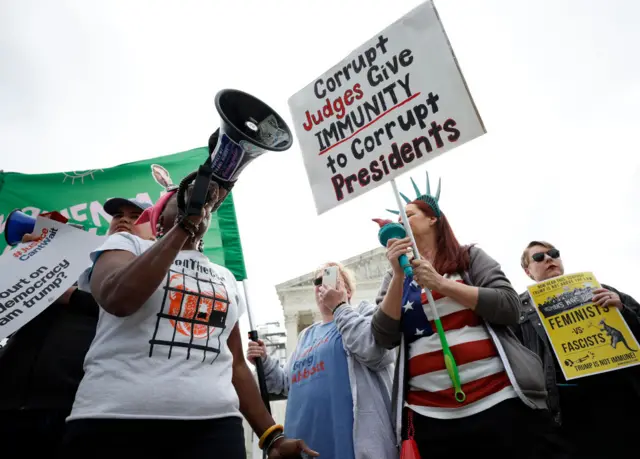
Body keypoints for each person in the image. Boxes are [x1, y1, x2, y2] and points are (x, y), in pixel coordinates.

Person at [60, 172, 317, 459]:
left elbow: (235, 365)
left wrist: (272, 437)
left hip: (215, 430)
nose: (198, 204)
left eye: (203, 201)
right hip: (116, 422)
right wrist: (184, 226)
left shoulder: (225, 277)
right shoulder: (128, 247)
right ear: (158, 218)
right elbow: (117, 297)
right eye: (183, 198)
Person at [370, 174, 556, 459]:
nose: (400, 223)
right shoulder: (394, 275)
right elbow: (383, 336)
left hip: (498, 402)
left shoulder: (469, 258)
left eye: (407, 215)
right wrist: (398, 275)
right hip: (429, 415)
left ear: (433, 219)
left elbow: (509, 307)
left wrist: (442, 285)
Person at [0, 197, 151, 456]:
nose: (124, 219)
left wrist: (69, 295)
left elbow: (134, 309)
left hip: (77, 403)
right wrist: (24, 262)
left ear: (156, 228)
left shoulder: (157, 268)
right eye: (118, 215)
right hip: (8, 395)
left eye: (136, 216)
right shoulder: (76, 257)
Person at [247, 262, 397, 459]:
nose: (321, 285)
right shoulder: (306, 336)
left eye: (331, 278)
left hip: (349, 446)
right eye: (317, 281)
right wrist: (264, 360)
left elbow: (375, 352)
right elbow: (285, 384)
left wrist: (339, 307)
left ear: (348, 291)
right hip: (305, 444)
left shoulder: (365, 313)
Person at [516, 240, 640, 457]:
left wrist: (622, 309)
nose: (548, 258)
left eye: (553, 253)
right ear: (528, 271)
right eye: (538, 257)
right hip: (566, 411)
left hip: (620, 399)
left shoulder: (603, 290)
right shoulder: (519, 309)